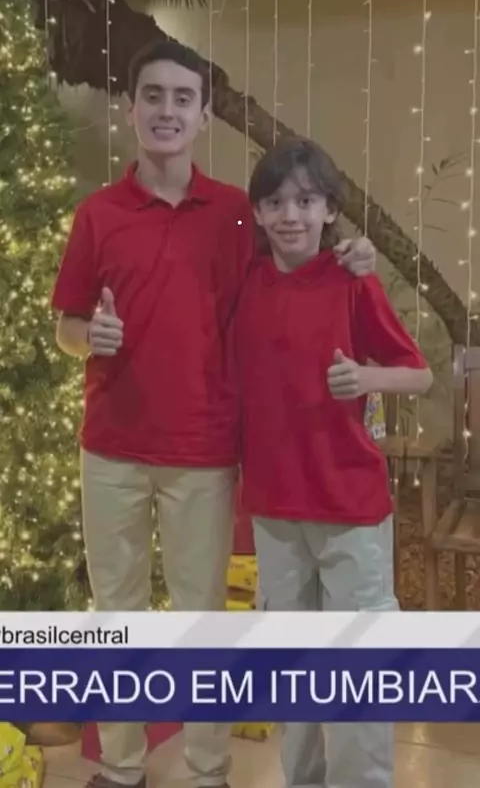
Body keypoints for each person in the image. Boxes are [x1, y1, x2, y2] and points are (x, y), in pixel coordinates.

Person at [51, 40, 377, 788]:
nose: (167, 111)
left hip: (204, 449)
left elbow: (297, 264)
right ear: (131, 109)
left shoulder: (235, 213)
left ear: (202, 117)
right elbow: (67, 324)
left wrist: (351, 254)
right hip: (111, 448)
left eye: (182, 98)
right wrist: (86, 337)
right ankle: (123, 767)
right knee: (116, 612)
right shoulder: (97, 214)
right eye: (153, 96)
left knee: (201, 615)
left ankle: (206, 771)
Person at [235, 137, 432, 788]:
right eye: (275, 202)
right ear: (258, 213)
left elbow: (419, 374)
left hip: (350, 508)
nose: (290, 214)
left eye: (305, 200)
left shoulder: (353, 280)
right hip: (274, 510)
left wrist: (368, 376)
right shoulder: (246, 285)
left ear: (328, 210)